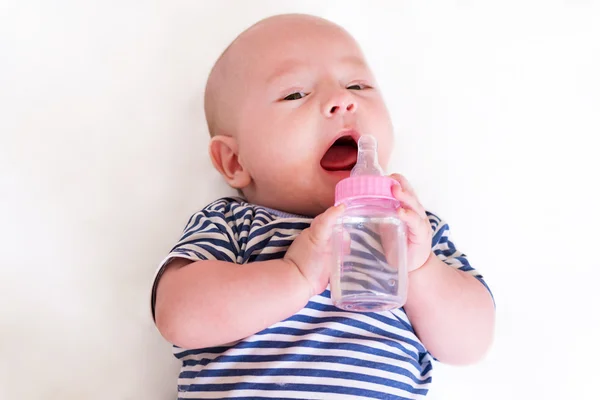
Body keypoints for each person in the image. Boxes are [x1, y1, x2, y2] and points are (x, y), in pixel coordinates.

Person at [151, 13, 495, 399]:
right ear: (235, 161)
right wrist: (295, 275)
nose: (342, 100)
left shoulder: (411, 226)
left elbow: (471, 343)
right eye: (295, 94)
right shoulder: (232, 223)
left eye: (358, 85)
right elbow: (178, 317)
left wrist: (419, 267)